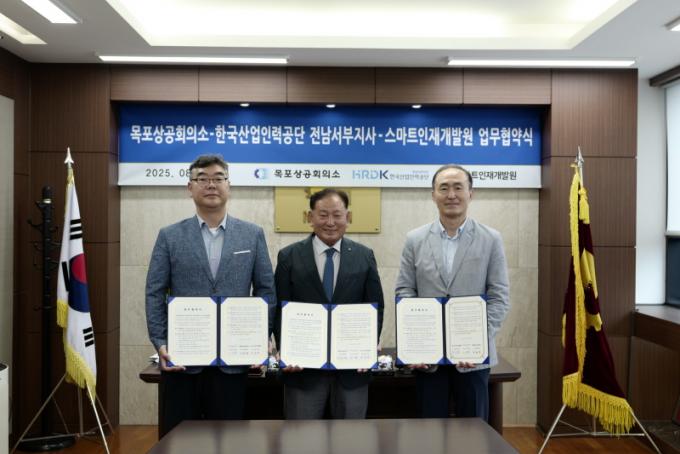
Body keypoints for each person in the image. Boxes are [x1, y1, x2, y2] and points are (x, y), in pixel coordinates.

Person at [145, 154, 276, 437]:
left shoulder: (252, 234)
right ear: (189, 187)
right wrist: (160, 341)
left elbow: (266, 290)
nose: (211, 185)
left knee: (229, 438)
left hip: (234, 360)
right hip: (183, 359)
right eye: (202, 179)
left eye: (218, 178)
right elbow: (154, 292)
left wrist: (261, 336)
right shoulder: (169, 236)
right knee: (180, 439)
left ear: (229, 185)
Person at [395, 164, 510, 421]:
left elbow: (499, 296)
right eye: (444, 188)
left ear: (471, 193)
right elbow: (405, 291)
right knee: (429, 429)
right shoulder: (415, 239)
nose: (451, 195)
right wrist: (415, 344)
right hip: (428, 359)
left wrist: (477, 342)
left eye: (458, 187)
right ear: (433, 195)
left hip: (473, 359)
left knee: (473, 430)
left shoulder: (491, 238)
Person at [275, 188, 384, 419]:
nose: (330, 222)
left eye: (337, 215)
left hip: (352, 370)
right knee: (300, 435)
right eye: (323, 215)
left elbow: (375, 306)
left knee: (350, 436)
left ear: (348, 217)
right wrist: (286, 350)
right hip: (303, 370)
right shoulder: (289, 256)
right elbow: (279, 309)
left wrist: (368, 345)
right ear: (310, 217)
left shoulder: (364, 256)